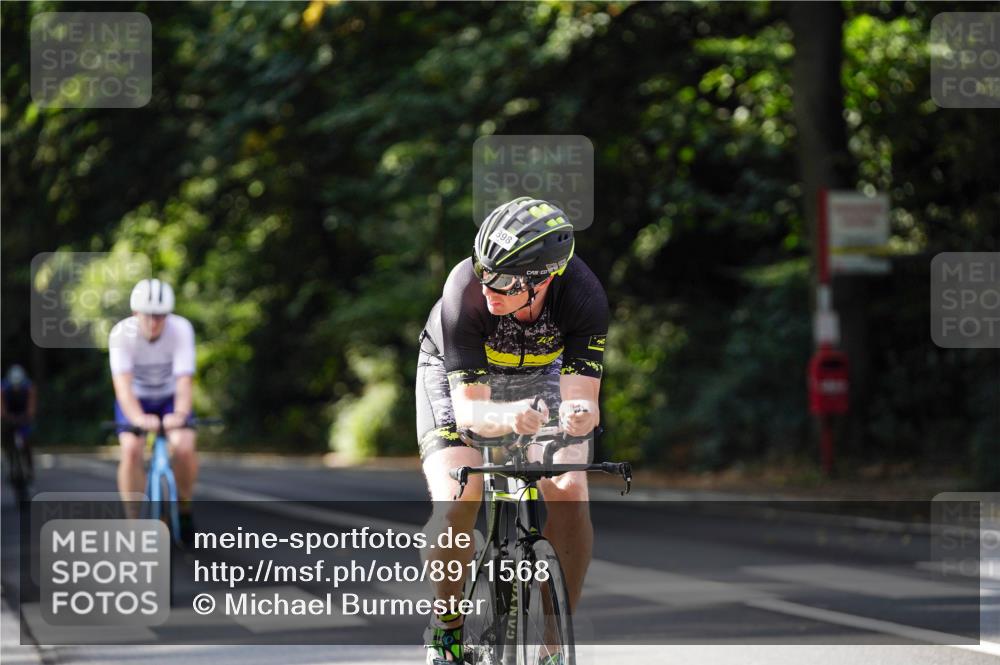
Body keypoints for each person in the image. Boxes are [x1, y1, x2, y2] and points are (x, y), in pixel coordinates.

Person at [417, 197, 608, 664]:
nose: (488, 287)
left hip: (541, 374)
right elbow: (470, 412)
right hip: (457, 379)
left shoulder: (583, 295)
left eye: (502, 280)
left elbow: (584, 397)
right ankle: (447, 629)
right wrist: (509, 416)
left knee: (570, 489)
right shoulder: (464, 289)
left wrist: (579, 414)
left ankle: (553, 642)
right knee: (458, 497)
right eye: (484, 270)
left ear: (543, 279)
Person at [109, 278, 198, 542]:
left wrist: (179, 415)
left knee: (184, 446)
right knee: (131, 449)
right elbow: (123, 387)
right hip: (136, 399)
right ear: (135, 312)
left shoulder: (181, 329)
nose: (154, 321)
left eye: (160, 316)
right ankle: (133, 522)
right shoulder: (120, 334)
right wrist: (137, 417)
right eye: (147, 315)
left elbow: (184, 382)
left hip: (170, 398)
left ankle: (184, 506)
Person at [1, 364, 37, 483]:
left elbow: (31, 406)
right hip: (9, 414)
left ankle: (29, 468)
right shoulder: (3, 388)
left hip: (23, 414)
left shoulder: (29, 387)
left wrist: (29, 415)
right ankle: (10, 464)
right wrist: (5, 416)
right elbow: (1, 406)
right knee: (7, 439)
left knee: (27, 441)